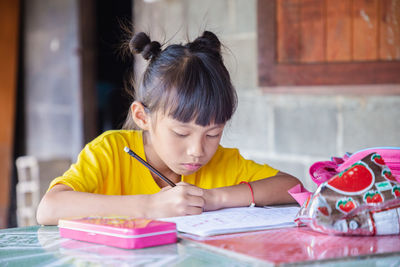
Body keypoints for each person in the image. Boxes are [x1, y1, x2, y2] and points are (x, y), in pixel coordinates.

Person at [36, 31, 301, 225]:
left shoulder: (222, 162)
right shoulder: (111, 151)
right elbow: (48, 208)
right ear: (142, 117)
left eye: (213, 134)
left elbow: (291, 187)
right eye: (181, 133)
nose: (197, 151)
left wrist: (214, 199)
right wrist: (149, 205)